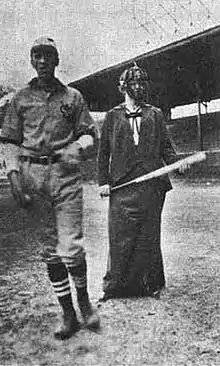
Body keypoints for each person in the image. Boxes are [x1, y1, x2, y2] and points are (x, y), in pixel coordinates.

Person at [0, 37, 100, 339]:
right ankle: (68, 313)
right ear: (32, 61)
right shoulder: (19, 99)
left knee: (71, 246)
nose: (42, 61)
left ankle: (84, 302)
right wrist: (15, 176)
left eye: (48, 56)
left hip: (65, 174)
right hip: (33, 176)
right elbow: (9, 143)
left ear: (56, 61)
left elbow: (89, 135)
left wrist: (78, 148)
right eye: (37, 56)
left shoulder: (73, 97)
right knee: (50, 251)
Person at [98, 63, 188, 301]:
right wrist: (102, 182)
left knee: (148, 235)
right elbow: (103, 152)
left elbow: (166, 148)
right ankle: (117, 286)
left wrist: (177, 164)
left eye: (141, 83)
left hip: (151, 186)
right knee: (120, 236)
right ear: (124, 87)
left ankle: (150, 284)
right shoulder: (112, 116)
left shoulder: (155, 114)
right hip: (121, 187)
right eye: (133, 83)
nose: (138, 87)